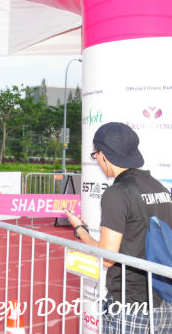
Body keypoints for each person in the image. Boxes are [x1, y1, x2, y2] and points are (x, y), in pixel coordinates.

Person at [65, 122, 172, 333]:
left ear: (104, 155)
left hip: (130, 304)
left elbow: (107, 257)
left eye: (95, 155)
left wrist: (80, 231)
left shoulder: (118, 193)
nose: (97, 161)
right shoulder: (160, 188)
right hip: (164, 302)